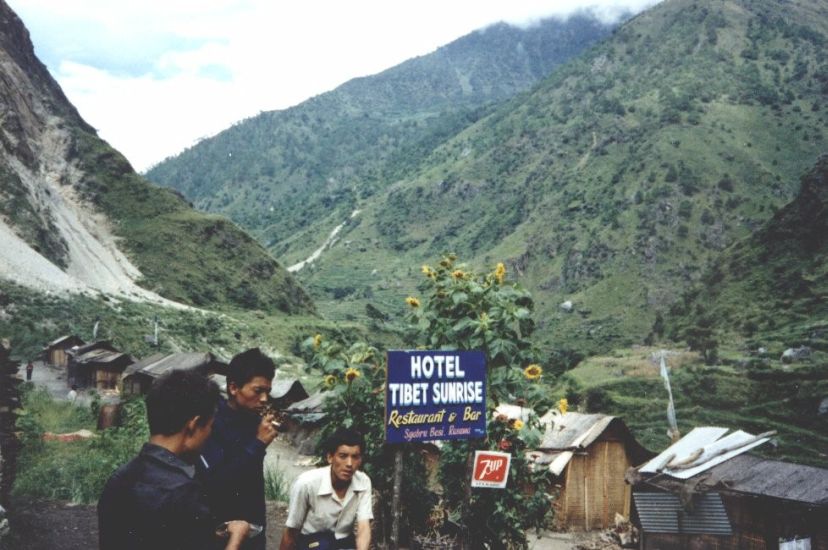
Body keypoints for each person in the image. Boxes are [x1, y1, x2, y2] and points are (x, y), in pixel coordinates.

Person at [97, 369, 250, 550]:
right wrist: (236, 539)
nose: (209, 434)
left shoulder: (119, 478)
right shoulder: (184, 494)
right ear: (193, 426)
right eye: (210, 426)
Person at [198, 348, 278, 550]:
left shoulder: (254, 421)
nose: (264, 399)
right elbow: (215, 482)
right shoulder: (212, 424)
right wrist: (258, 444)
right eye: (257, 391)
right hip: (222, 531)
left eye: (267, 391)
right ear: (234, 388)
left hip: (254, 528)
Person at [279, 428, 372, 550]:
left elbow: (363, 528)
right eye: (343, 456)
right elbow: (291, 531)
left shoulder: (363, 481)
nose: (349, 463)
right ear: (330, 457)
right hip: (311, 543)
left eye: (355, 457)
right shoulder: (306, 484)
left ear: (360, 460)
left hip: (343, 542)